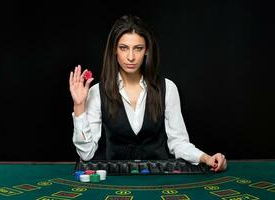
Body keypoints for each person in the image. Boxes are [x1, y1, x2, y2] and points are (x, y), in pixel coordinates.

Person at [69, 15, 227, 172]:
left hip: (158, 179)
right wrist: (79, 106)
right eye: (124, 48)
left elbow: (178, 143)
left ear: (146, 51)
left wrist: (206, 158)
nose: (131, 57)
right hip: (115, 179)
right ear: (114, 50)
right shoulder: (97, 92)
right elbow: (86, 153)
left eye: (138, 48)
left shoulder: (168, 88)